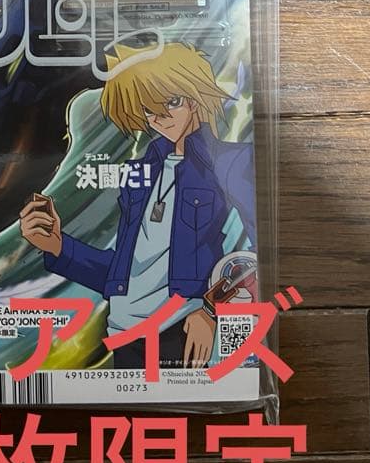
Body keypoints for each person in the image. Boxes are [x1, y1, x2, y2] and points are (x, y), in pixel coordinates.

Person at [19, 42, 256, 369]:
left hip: (183, 330)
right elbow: (127, 272)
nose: (160, 118)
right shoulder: (140, 172)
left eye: (171, 102)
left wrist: (212, 310)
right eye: (148, 109)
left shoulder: (230, 162)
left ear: (195, 96)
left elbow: (260, 256)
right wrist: (58, 247)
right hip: (124, 334)